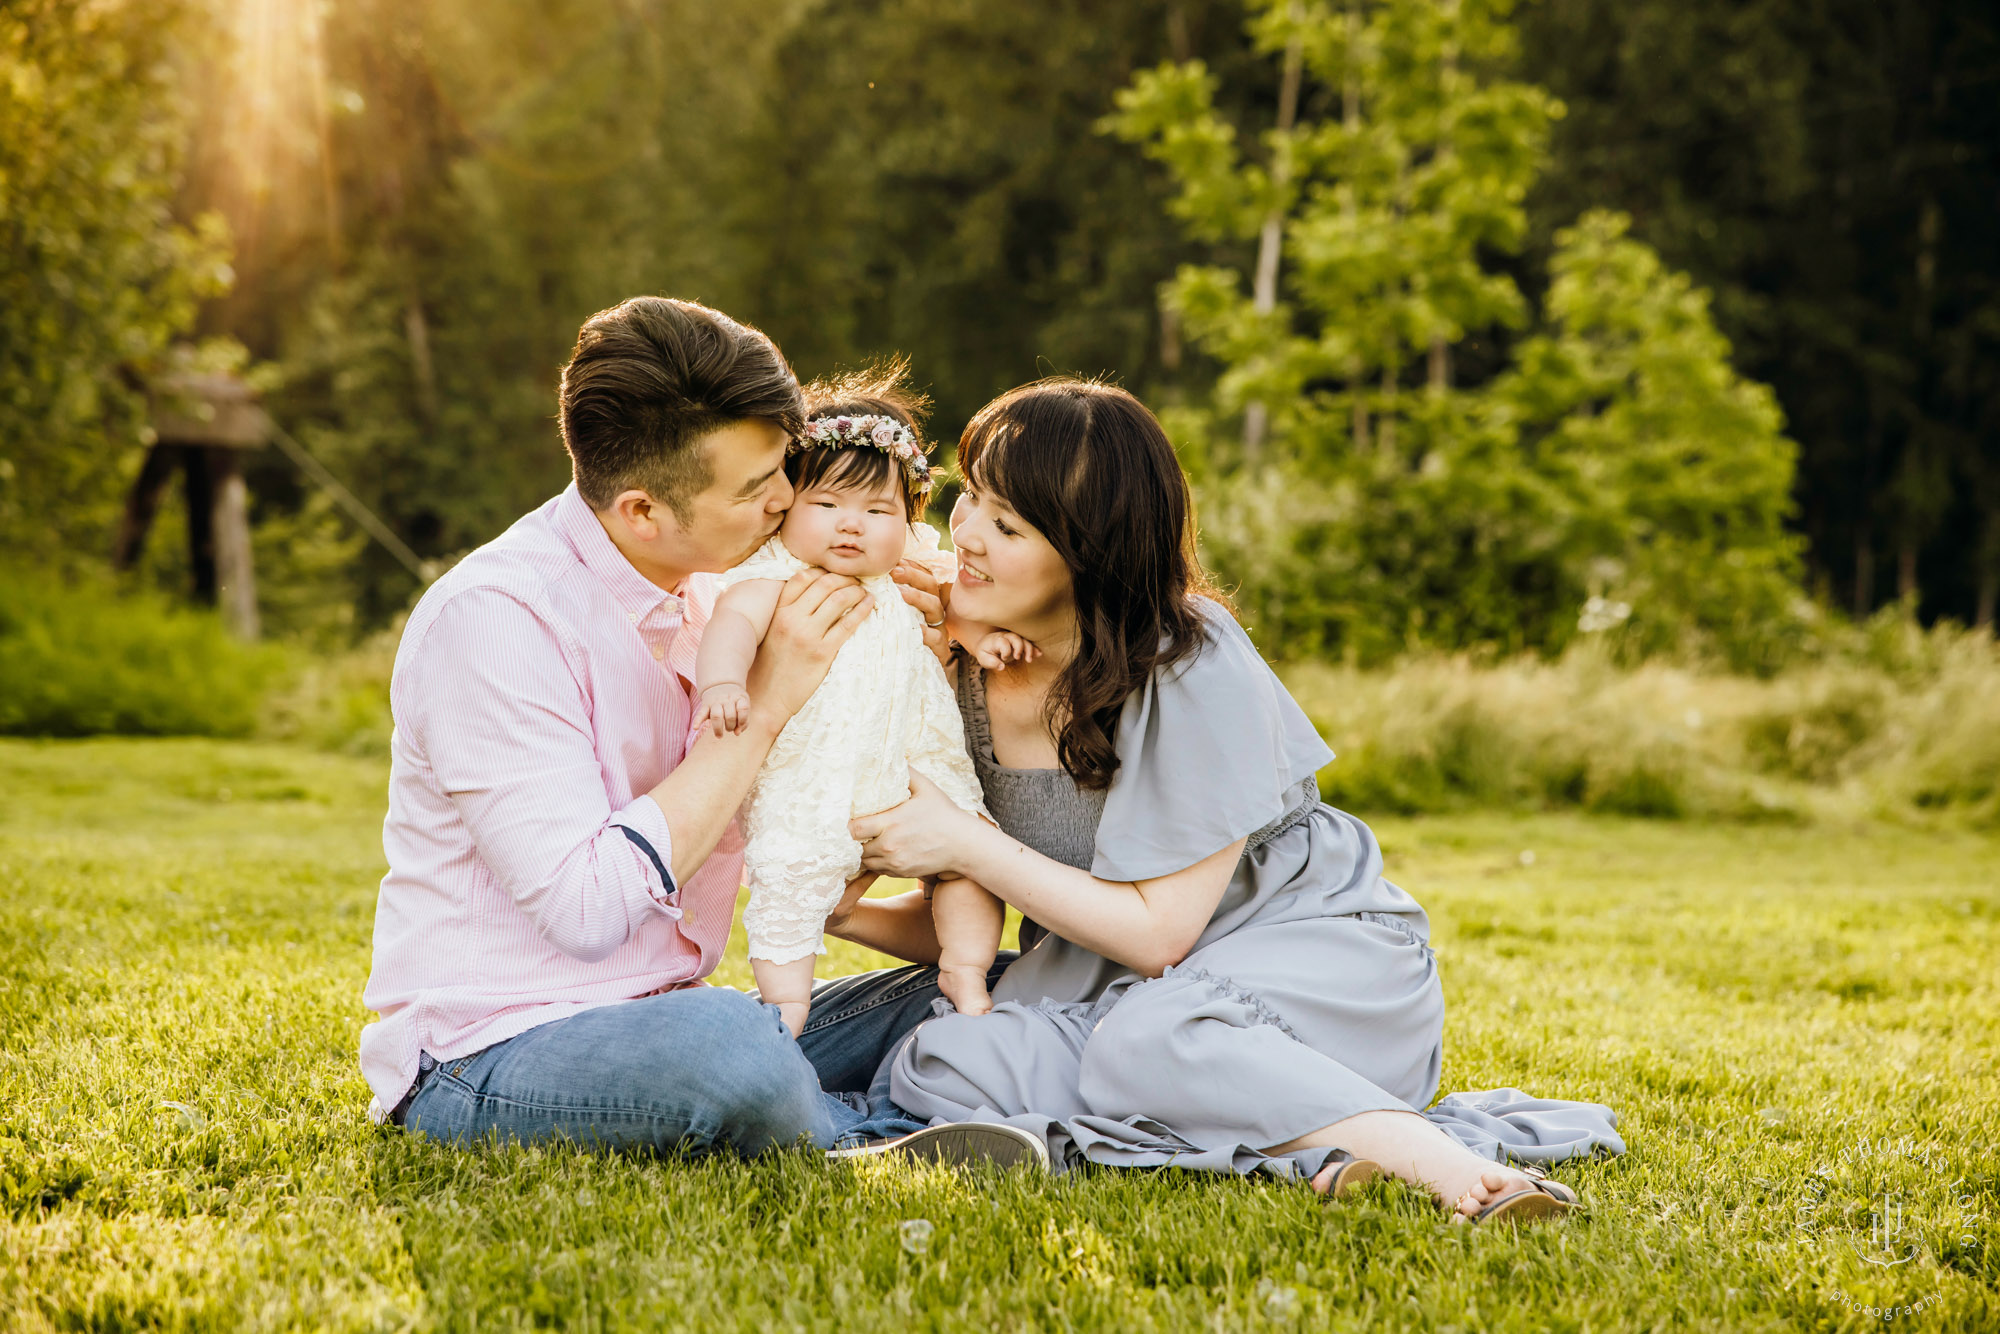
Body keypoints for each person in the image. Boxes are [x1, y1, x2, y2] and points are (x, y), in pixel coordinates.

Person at [838, 378, 1626, 1223]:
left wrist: (958, 839)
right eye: (971, 499)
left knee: (1155, 1040)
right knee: (943, 1058)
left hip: (1309, 962)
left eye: (1009, 525)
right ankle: (1306, 1148)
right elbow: (979, 904)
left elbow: (1156, 935)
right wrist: (835, 907)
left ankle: (1451, 1170)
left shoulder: (1189, 657)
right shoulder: (954, 665)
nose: (967, 537)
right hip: (1113, 990)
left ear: (1089, 550)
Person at [357, 296, 1040, 1167]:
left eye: (785, 470)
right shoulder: (495, 622)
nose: (790, 501)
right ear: (644, 510)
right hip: (495, 1051)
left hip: (664, 1011)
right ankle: (880, 1131)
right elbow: (585, 910)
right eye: (759, 490)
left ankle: (886, 1095)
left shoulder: (725, 580)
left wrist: (944, 630)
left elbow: (923, 589)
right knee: (726, 1046)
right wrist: (767, 704)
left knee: (1016, 985)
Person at [694, 367, 1026, 1033]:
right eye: (827, 506)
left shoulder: (909, 568)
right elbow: (732, 624)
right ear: (787, 505)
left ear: (908, 520)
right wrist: (723, 682)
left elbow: (955, 604)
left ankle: (966, 973)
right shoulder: (774, 575)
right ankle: (785, 1012)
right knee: (795, 878)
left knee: (971, 855)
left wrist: (983, 638)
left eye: (878, 512)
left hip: (914, 761)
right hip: (815, 775)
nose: (852, 527)